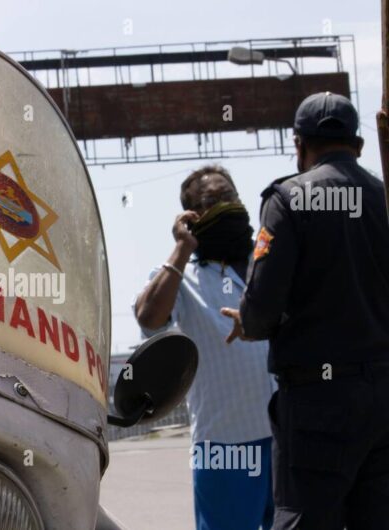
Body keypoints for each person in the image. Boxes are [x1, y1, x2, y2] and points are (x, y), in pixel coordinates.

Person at [221, 92, 389, 529]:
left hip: (318, 405)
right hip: (383, 399)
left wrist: (248, 322)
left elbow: (261, 308)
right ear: (359, 146)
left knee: (304, 519)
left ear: (298, 144)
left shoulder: (289, 199)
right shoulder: (383, 198)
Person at [133, 165, 275, 530]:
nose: (227, 204)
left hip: (287, 436)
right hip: (225, 446)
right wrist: (182, 249)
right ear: (191, 216)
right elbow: (149, 318)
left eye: (230, 196)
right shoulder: (182, 275)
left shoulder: (267, 261)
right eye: (213, 200)